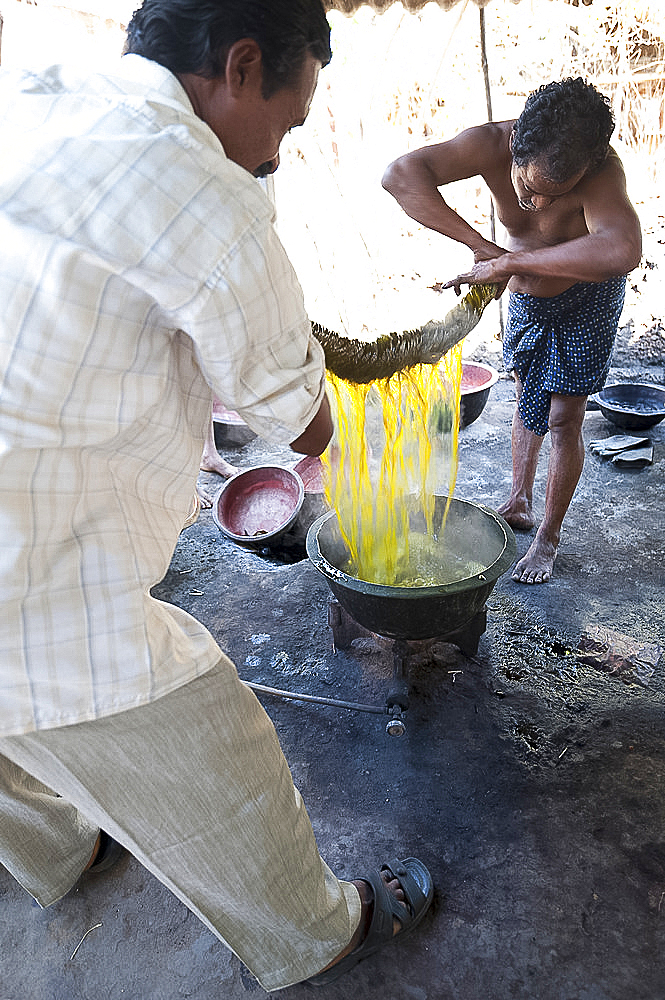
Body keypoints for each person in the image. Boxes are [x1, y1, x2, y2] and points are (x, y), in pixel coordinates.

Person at [0, 0, 433, 991]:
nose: (277, 151)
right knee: (196, 720)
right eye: (286, 120)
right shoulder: (201, 192)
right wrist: (359, 441)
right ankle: (312, 928)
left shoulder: (42, 97)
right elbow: (301, 413)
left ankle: (61, 850)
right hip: (19, 561)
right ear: (240, 66)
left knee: (13, 726)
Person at [382, 78, 642, 584]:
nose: (538, 206)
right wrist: (483, 248)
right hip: (525, 297)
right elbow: (400, 176)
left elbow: (622, 249)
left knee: (565, 418)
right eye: (528, 189)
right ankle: (519, 498)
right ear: (515, 146)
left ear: (586, 170)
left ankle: (548, 536)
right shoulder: (490, 143)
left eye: (554, 197)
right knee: (526, 395)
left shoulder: (603, 172)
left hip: (586, 299)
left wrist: (511, 263)